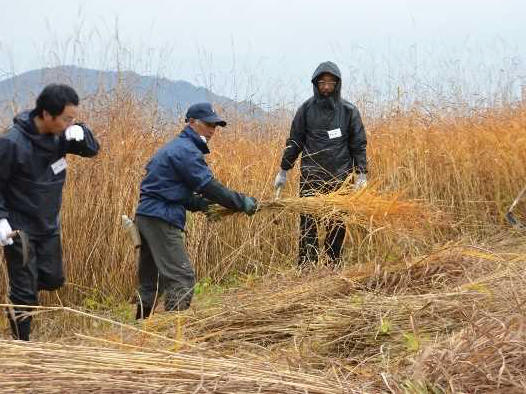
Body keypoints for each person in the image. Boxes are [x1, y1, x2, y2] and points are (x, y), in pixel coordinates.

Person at [0, 84, 100, 340]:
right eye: (67, 118)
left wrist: (82, 132)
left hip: (47, 225)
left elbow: (91, 150)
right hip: (19, 227)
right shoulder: (11, 143)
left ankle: (24, 292)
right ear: (46, 114)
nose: (70, 123)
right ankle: (21, 344)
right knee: (24, 292)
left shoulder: (61, 135)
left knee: (53, 279)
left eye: (73, 118)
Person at [133, 102, 258, 319]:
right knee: (182, 278)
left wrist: (202, 205)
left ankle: (141, 330)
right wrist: (241, 202)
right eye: (208, 124)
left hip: (147, 216)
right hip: (161, 218)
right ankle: (173, 334)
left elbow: (171, 189)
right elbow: (208, 186)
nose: (212, 131)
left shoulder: (176, 147)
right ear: (191, 123)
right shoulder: (185, 151)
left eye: (215, 126)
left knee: (152, 280)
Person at [274, 61, 368, 266]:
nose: (326, 87)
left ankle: (332, 265)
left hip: (340, 177)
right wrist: (283, 170)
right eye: (322, 82)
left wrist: (362, 174)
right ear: (315, 83)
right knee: (308, 223)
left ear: (338, 84)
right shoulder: (306, 110)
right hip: (312, 177)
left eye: (330, 82)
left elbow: (358, 144)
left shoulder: (349, 111)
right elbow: (294, 142)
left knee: (337, 223)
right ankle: (307, 267)